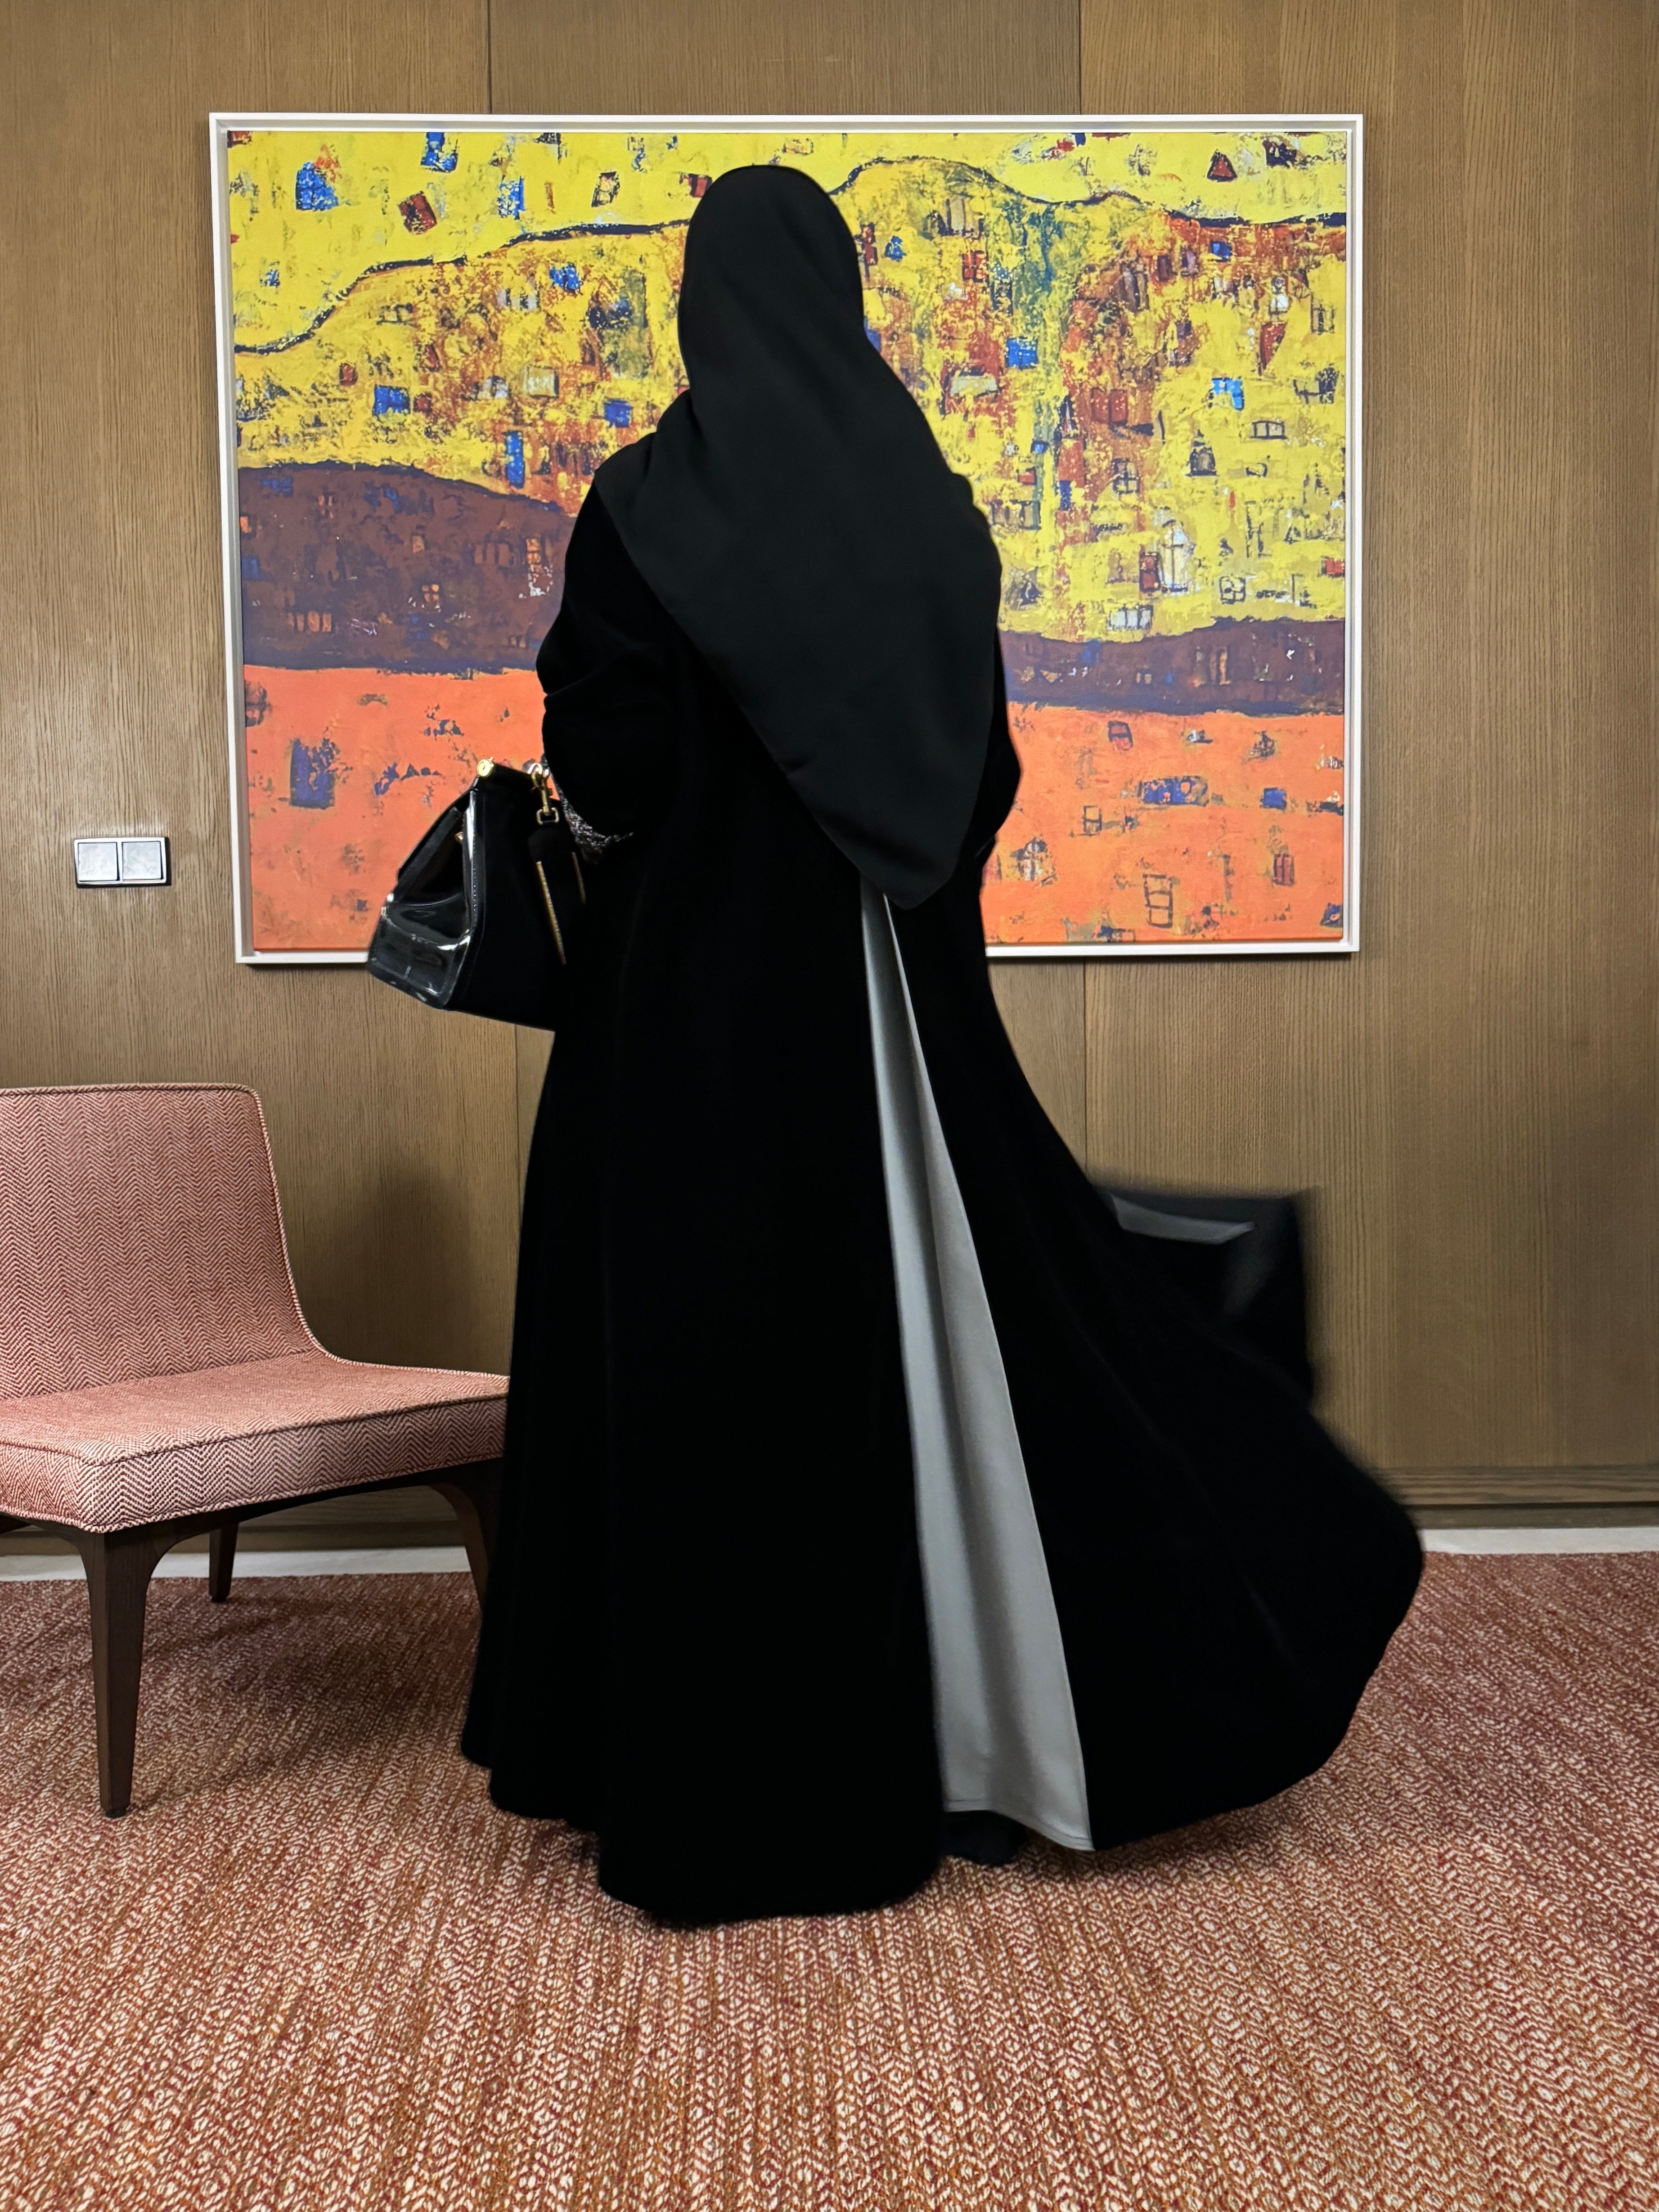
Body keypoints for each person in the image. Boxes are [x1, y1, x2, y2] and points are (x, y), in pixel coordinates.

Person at [461, 165, 1421, 1926]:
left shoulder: (649, 504)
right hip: (905, 1002)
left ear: (701, 307)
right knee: (969, 1338)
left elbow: (612, 761)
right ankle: (978, 1749)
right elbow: (981, 777)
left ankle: (712, 1784)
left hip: (686, 1030)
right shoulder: (926, 503)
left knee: (706, 1368)